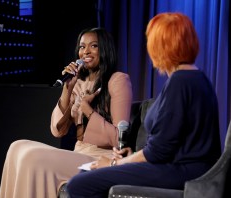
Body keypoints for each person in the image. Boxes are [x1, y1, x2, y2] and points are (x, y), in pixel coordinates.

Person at [65, 12, 222, 198]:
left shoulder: (181, 82)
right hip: (179, 167)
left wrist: (115, 163)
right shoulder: (197, 78)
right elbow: (172, 143)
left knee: (79, 184)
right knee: (87, 174)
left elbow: (159, 151)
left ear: (159, 46)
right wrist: (132, 156)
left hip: (182, 171)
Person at [0, 27, 133, 198]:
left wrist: (87, 110)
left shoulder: (118, 80)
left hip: (101, 159)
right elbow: (57, 130)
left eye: (94, 46)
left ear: (105, 49)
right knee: (17, 146)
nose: (86, 52)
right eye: (82, 47)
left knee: (33, 156)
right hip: (79, 154)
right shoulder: (76, 83)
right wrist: (67, 89)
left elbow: (117, 138)